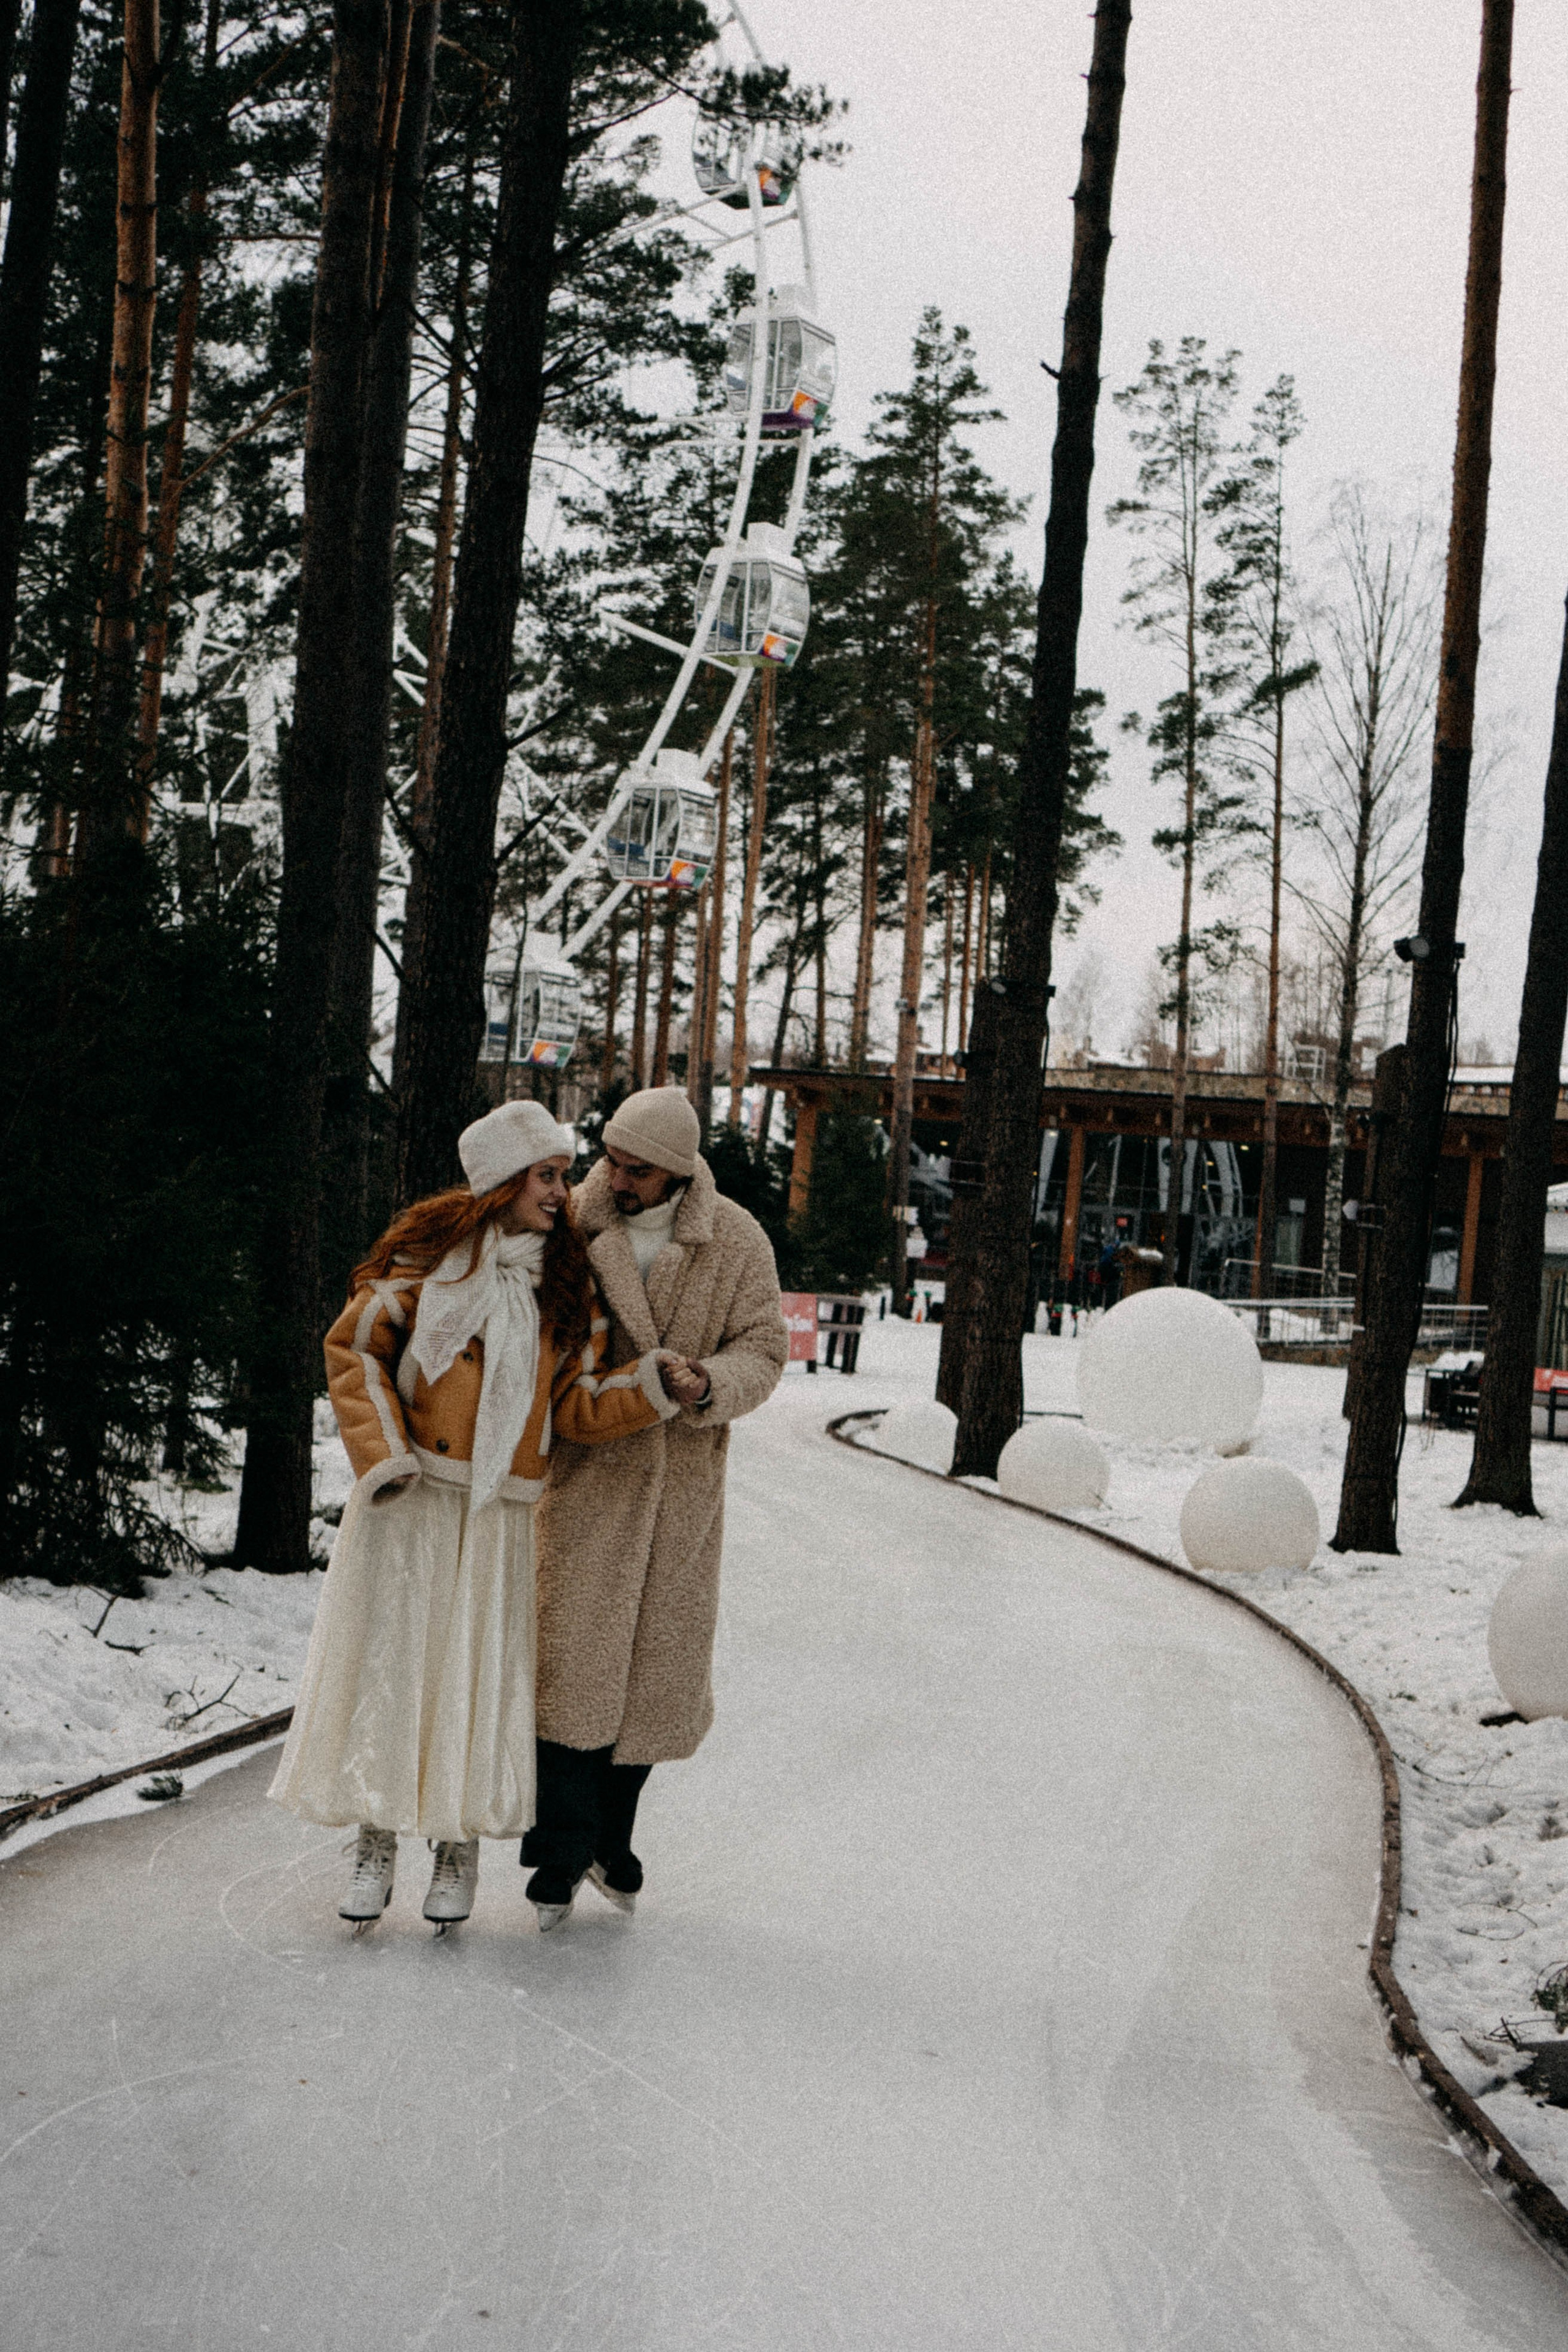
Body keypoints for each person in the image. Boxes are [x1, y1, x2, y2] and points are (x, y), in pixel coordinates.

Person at [269, 1100, 684, 1931]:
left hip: (500, 1514)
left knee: (474, 1680)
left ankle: (456, 1851)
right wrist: (383, 1457)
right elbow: (355, 1354)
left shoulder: (565, 1285)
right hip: (412, 1498)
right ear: (501, 1180)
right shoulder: (426, 1265)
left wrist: (654, 1388)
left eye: (565, 1176)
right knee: (395, 1671)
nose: (563, 1193)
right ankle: (376, 1838)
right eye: (548, 1175)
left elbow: (576, 1403)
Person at [526, 1086, 787, 1929]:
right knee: (572, 1662)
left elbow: (765, 1348)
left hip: (679, 1485)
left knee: (651, 1672)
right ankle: (562, 1850)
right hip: (589, 1469)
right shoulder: (571, 1224)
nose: (618, 1178)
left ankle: (613, 1836)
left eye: (638, 1169)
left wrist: (710, 1383)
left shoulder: (735, 1240)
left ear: (677, 1172)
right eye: (612, 1160)